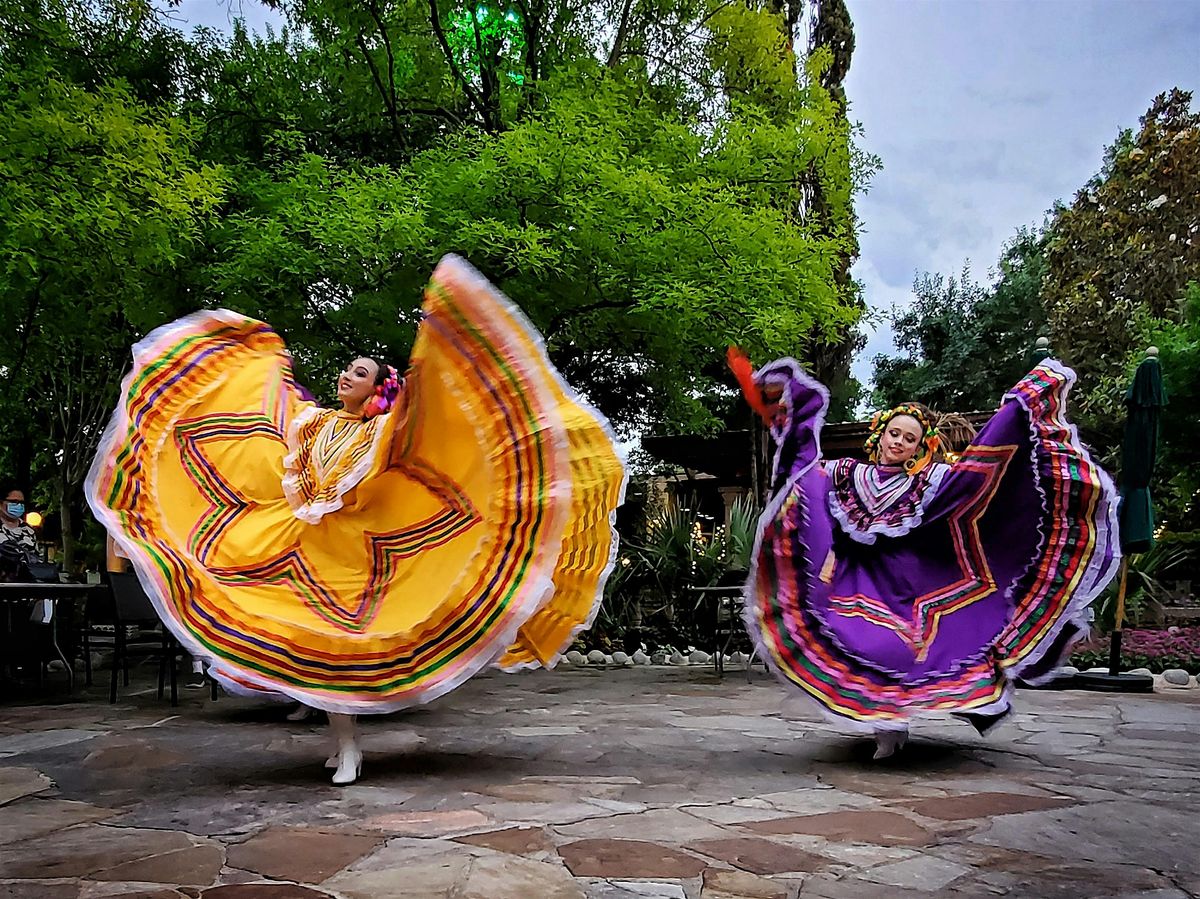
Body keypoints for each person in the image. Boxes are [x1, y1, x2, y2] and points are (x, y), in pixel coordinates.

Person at [87, 256, 626, 785]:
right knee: (308, 648)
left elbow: (427, 421)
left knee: (342, 652)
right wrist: (262, 364)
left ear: (377, 389)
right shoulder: (311, 423)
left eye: (360, 372)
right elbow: (260, 425)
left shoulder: (382, 431)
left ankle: (347, 748)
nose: (347, 374)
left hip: (354, 556)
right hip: (298, 545)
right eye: (347, 368)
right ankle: (343, 745)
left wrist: (442, 337)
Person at [728, 349, 1119, 759]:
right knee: (864, 645)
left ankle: (929, 713)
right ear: (880, 434)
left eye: (909, 438)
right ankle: (887, 725)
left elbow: (977, 485)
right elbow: (810, 488)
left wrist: (1013, 418)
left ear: (920, 447)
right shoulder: (845, 472)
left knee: (917, 650)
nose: (898, 442)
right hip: (858, 582)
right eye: (894, 433)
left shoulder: (931, 482)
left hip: (914, 584)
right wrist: (794, 429)